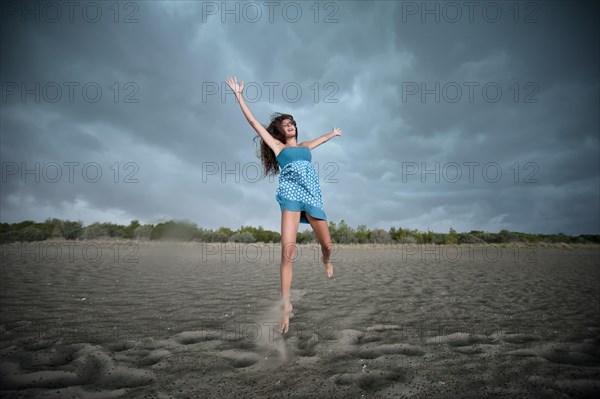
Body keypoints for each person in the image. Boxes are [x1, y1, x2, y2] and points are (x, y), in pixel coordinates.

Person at [225, 76, 342, 334]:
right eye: (285, 124)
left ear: (296, 128)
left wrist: (332, 134)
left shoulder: (305, 146)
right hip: (290, 196)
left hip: (311, 197)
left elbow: (320, 140)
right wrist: (239, 96)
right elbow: (254, 123)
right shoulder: (277, 147)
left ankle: (326, 261)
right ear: (279, 131)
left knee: (328, 245)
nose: (289, 126)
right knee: (287, 252)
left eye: (292, 123)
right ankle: (285, 305)